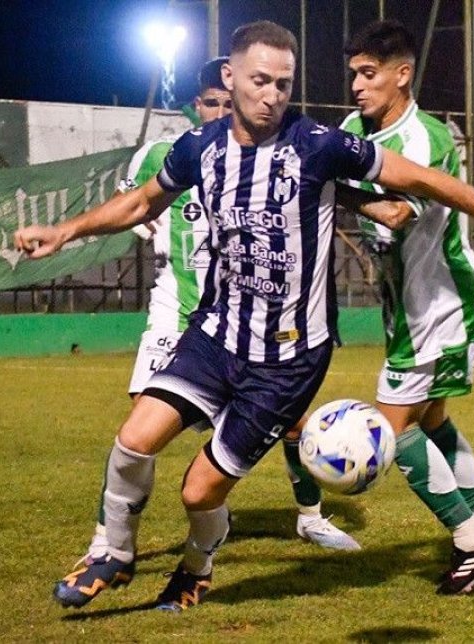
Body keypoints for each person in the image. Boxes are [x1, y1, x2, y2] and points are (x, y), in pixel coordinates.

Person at [15, 20, 474, 610]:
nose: (272, 95)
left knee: (199, 493)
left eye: (284, 84)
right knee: (132, 441)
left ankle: (195, 569)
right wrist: (65, 230)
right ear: (230, 77)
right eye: (260, 81)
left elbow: (422, 178)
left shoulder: (318, 144)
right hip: (216, 336)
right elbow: (142, 201)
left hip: (286, 362)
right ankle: (113, 553)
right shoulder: (200, 148)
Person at [77, 58, 359, 571]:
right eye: (213, 102)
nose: (222, 110)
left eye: (228, 105)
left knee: (292, 421)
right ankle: (107, 540)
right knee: (141, 427)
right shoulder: (172, 155)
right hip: (177, 305)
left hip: (243, 309)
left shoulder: (273, 154)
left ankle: (311, 515)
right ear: (197, 103)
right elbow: (135, 205)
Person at [340, 20, 474, 594]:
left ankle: (471, 543)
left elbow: (397, 215)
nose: (356, 86)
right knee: (432, 420)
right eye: (352, 74)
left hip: (444, 306)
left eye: (369, 74)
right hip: (411, 309)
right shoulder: (354, 128)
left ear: (402, 76)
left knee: (388, 432)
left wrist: (331, 184)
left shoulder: (426, 141)